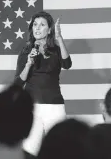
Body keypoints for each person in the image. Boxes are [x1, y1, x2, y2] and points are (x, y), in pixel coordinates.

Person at [13, 11, 72, 156]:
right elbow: (18, 83)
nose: (37, 28)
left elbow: (67, 63)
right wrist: (28, 64)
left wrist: (59, 37)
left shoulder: (56, 50)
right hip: (32, 107)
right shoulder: (26, 51)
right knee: (30, 150)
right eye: (35, 24)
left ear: (49, 29)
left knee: (60, 150)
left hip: (55, 106)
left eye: (42, 25)